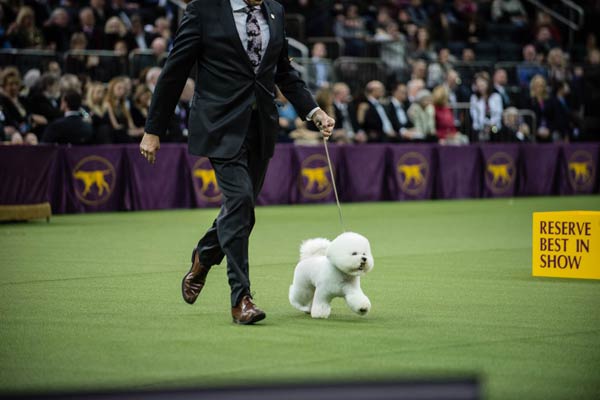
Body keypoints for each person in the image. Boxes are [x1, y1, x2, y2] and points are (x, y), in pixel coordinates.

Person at [139, 0, 335, 325]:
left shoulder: (275, 10)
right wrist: (153, 130)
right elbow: (174, 71)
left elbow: (284, 71)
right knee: (241, 202)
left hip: (260, 127)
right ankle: (241, 298)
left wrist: (314, 112)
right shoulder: (203, 10)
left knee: (240, 211)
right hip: (219, 126)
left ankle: (204, 254)